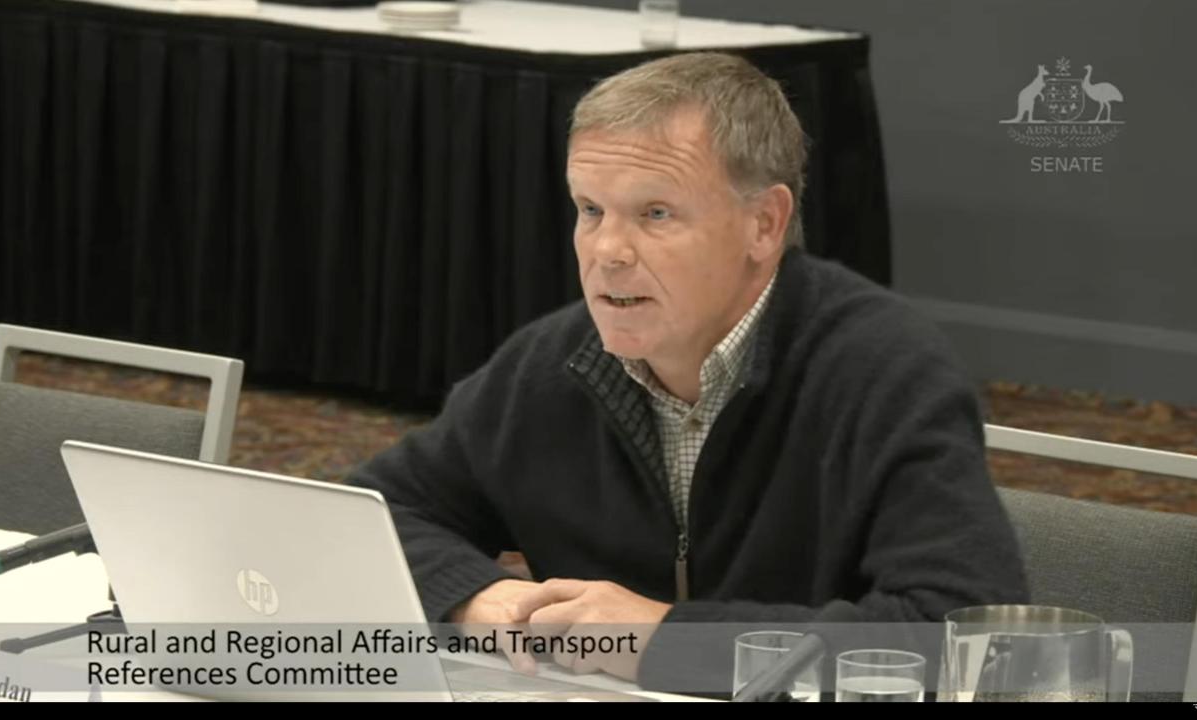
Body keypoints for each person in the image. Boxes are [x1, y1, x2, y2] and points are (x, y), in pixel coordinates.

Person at [348, 51, 1027, 694]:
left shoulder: (882, 368)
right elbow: (367, 516)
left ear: (763, 224)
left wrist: (668, 641)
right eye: (590, 210)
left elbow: (967, 634)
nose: (608, 251)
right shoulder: (551, 362)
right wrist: (474, 596)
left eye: (656, 213)